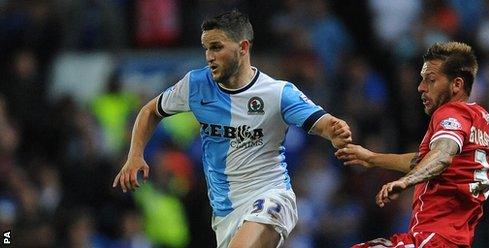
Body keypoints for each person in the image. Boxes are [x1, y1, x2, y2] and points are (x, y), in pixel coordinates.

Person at [112, 10, 352, 248]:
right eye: (206, 48)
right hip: (225, 214)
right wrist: (135, 155)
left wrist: (336, 130)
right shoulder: (196, 84)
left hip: (270, 196)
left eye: (217, 47)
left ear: (243, 47)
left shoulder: (277, 93)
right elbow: (150, 111)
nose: (209, 56)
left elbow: (322, 122)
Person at [336, 41, 489, 248]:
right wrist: (372, 158)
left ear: (456, 84)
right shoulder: (479, 118)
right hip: (455, 240)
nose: (421, 87)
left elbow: (442, 155)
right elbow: (426, 160)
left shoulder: (451, 113)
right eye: (422, 80)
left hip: (434, 240)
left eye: (431, 80)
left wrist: (406, 182)